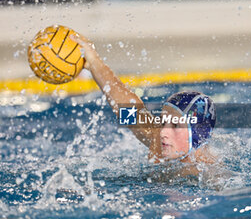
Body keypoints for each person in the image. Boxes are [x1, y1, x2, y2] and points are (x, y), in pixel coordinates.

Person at [70, 34, 217, 172]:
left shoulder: (208, 174)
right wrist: (94, 62)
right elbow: (126, 107)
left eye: (175, 125)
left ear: (198, 134)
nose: (163, 132)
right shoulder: (159, 142)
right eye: (162, 121)